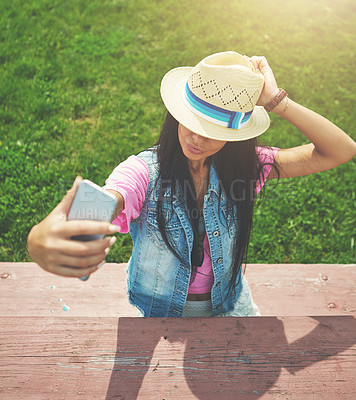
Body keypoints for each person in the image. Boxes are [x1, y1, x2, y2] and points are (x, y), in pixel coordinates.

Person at [27, 51, 356, 317]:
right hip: (161, 312)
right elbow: (107, 199)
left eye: (214, 130)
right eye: (191, 120)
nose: (197, 137)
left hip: (230, 305)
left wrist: (277, 102)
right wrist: (41, 238)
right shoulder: (144, 171)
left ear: (236, 136)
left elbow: (341, 151)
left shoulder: (247, 167)